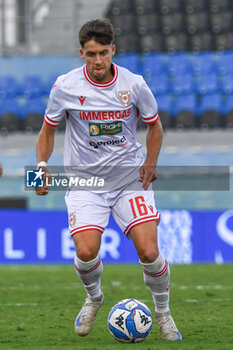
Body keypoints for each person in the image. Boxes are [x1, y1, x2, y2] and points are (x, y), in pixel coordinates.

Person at [35, 18, 182, 341]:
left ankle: (163, 314)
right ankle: (94, 297)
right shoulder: (66, 87)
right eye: (91, 55)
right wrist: (41, 167)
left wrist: (151, 161)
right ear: (81, 54)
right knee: (86, 251)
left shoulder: (134, 85)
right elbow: (47, 130)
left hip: (128, 179)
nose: (98, 61)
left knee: (148, 251)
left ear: (113, 50)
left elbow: (154, 125)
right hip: (85, 183)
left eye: (103, 53)